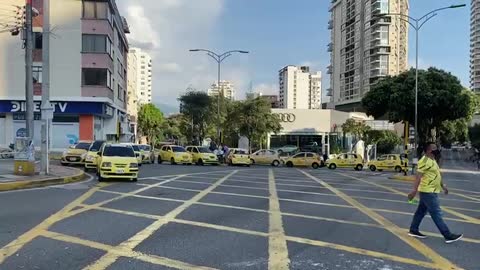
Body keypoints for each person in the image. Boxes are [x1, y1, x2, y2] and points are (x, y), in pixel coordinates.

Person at [408, 143, 463, 244]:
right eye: (434, 148)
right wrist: (414, 191)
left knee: (421, 211)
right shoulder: (424, 161)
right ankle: (448, 235)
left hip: (431, 190)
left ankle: (413, 229)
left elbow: (437, 174)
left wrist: (443, 186)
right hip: (428, 191)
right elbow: (418, 177)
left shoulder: (432, 159)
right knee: (436, 213)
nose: (436, 149)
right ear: (428, 150)